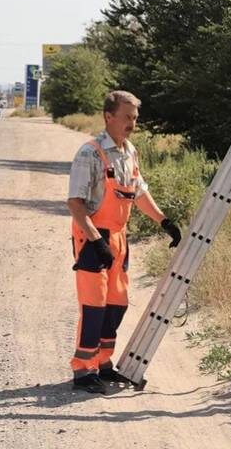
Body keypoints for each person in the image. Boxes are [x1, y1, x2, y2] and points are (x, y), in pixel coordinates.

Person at [66, 90, 182, 394]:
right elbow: (75, 203)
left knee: (116, 303)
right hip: (93, 236)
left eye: (135, 118)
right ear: (109, 117)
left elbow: (139, 192)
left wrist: (165, 222)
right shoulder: (89, 153)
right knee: (94, 305)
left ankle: (103, 363)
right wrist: (95, 241)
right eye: (128, 117)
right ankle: (83, 370)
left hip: (119, 237)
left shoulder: (130, 152)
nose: (133, 123)